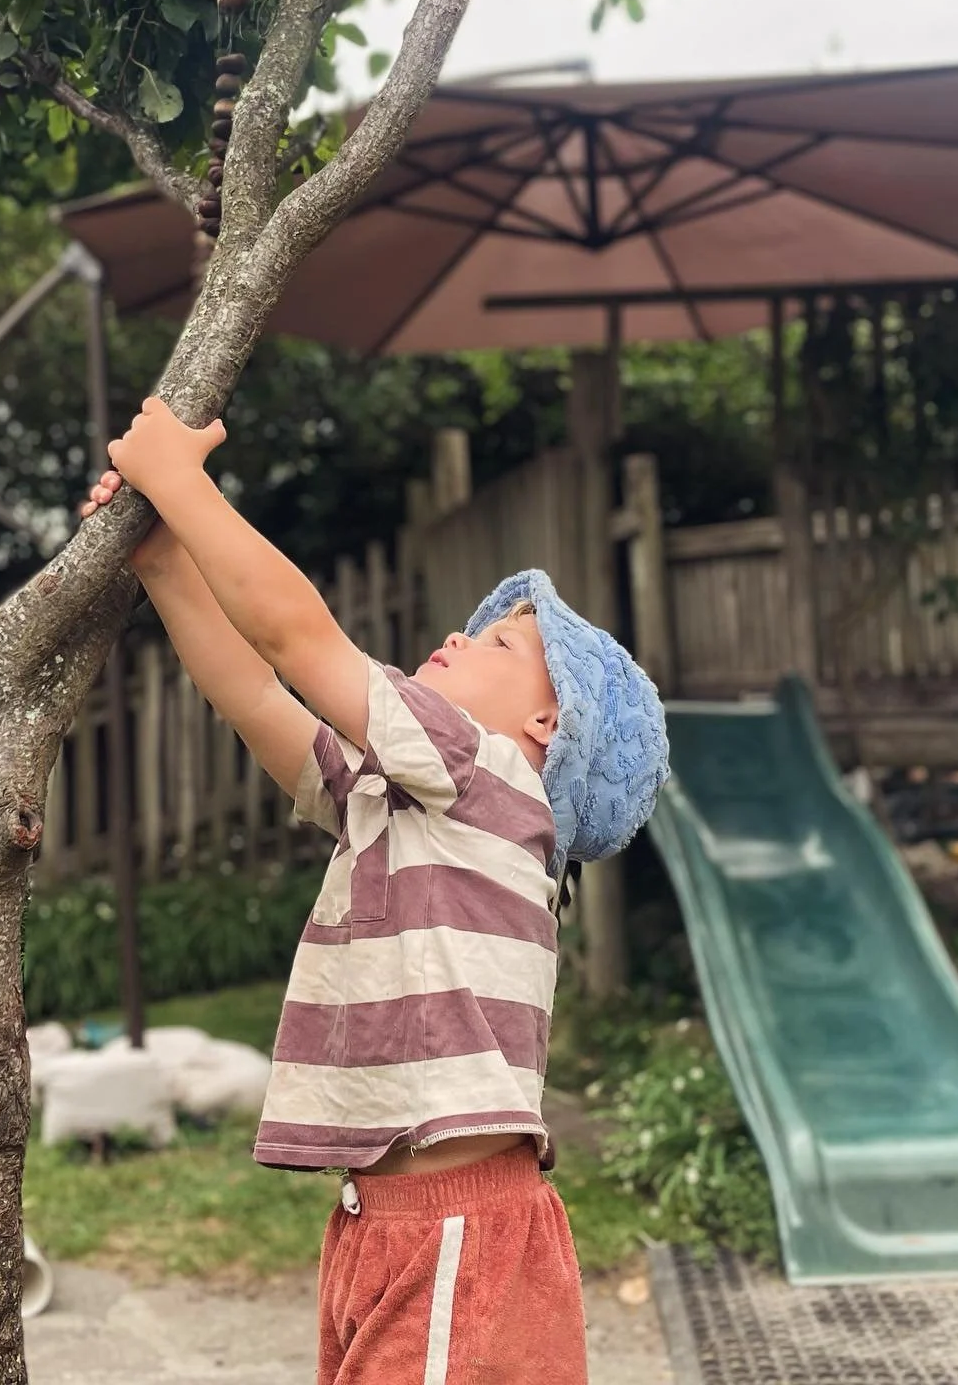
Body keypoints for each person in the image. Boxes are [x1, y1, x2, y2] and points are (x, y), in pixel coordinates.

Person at [81, 396, 669, 1385]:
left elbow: (297, 641)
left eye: (499, 645)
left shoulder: (489, 778)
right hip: (391, 1222)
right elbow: (261, 700)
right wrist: (168, 567)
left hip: (458, 1233)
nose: (458, 634)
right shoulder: (413, 799)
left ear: (545, 733)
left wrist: (183, 483)